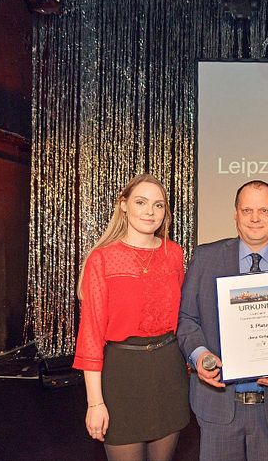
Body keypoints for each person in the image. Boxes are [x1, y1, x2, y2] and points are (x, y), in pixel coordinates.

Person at [177, 180, 268, 461]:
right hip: (219, 408)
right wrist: (199, 356)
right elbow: (187, 318)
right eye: (247, 210)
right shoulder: (205, 258)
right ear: (235, 214)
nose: (255, 218)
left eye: (264, 210)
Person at [73, 174, 190, 461]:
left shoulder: (173, 253)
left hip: (168, 370)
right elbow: (91, 334)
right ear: (123, 205)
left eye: (159, 205)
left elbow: (185, 315)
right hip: (121, 376)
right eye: (141, 202)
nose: (150, 211)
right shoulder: (102, 258)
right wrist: (95, 402)